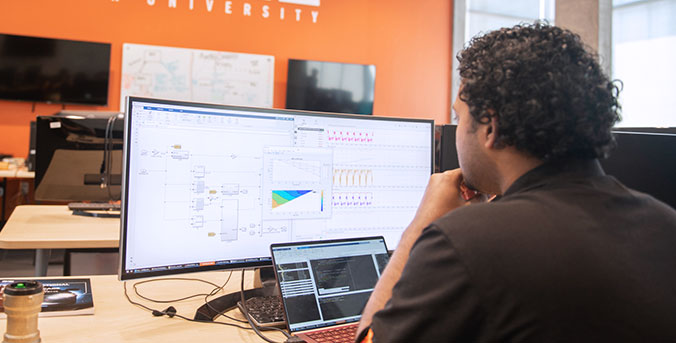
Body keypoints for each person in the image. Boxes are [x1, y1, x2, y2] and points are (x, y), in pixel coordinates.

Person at [356, 22, 676, 342]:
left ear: (490, 128)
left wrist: (420, 227)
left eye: (459, 117)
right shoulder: (665, 222)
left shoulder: (465, 240)